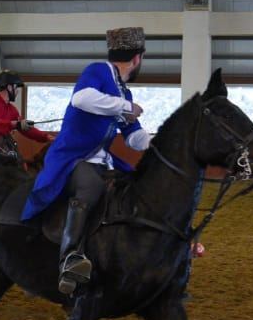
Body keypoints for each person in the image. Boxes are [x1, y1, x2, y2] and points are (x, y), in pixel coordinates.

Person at [20, 26, 153, 296]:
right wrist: (125, 108)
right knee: (91, 187)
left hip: (104, 160)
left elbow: (133, 136)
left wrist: (158, 144)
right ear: (137, 58)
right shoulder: (99, 71)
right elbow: (81, 99)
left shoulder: (124, 93)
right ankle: (69, 258)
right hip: (73, 157)